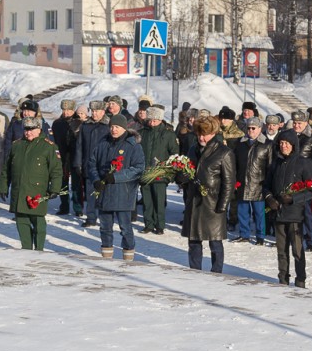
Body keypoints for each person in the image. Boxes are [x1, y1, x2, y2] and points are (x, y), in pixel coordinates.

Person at [179, 116, 236, 273]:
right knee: (194, 240)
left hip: (213, 203)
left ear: (213, 133)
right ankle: (195, 270)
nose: (201, 138)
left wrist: (223, 205)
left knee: (215, 241)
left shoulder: (224, 153)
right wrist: (182, 176)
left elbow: (229, 182)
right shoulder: (193, 149)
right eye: (199, 134)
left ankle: (216, 271)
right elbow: (186, 170)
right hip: (195, 201)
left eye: (205, 134)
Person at [0, 117, 63, 250]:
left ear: (39, 129)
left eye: (32, 129)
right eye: (26, 129)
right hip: (19, 190)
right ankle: (26, 249)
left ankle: (39, 250)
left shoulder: (48, 147)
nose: (28, 132)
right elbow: (6, 169)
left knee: (38, 222)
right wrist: (3, 187)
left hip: (37, 192)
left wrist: (55, 189)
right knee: (21, 221)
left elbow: (56, 171)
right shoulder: (16, 145)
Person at [89, 114, 145, 260]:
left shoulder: (132, 145)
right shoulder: (102, 143)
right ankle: (106, 256)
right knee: (105, 227)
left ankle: (128, 256)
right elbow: (92, 164)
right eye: (112, 126)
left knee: (125, 228)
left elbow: (138, 168)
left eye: (117, 127)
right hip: (105, 192)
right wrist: (96, 180)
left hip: (123, 193)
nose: (114, 129)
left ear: (124, 128)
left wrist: (116, 177)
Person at [264, 130, 312, 287]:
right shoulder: (275, 163)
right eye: (281, 143)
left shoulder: (303, 162)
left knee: (297, 251)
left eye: (286, 143)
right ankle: (283, 279)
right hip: (278, 213)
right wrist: (269, 198)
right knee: (281, 251)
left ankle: (300, 280)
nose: (283, 146)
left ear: (293, 145)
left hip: (295, 215)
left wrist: (294, 198)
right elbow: (266, 186)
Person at [139, 105, 179, 235]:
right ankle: (148, 224)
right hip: (145, 171)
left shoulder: (168, 135)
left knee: (159, 200)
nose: (152, 123)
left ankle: (160, 224)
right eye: (150, 120)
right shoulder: (142, 133)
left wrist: (170, 173)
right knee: (147, 200)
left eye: (155, 120)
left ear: (160, 120)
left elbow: (174, 153)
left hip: (160, 173)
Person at [232, 117, 272, 245]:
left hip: (258, 184)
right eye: (248, 128)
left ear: (260, 129)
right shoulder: (240, 143)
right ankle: (244, 234)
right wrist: (234, 180)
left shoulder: (267, 144)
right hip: (242, 182)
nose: (250, 130)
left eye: (253, 128)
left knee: (259, 213)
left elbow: (270, 167)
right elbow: (234, 164)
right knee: (242, 211)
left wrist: (267, 184)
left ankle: (260, 236)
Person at [73, 100, 111, 227]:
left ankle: (106, 217)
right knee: (90, 193)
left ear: (103, 112)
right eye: (93, 111)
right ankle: (91, 217)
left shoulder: (109, 126)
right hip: (89, 165)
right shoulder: (85, 126)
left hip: (105, 166)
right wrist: (77, 163)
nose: (94, 114)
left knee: (105, 193)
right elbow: (79, 146)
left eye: (97, 111)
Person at [293, 110, 312, 250]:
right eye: (294, 123)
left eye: (299, 123)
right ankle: (295, 237)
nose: (296, 125)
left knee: (308, 213)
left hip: (307, 181)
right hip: (292, 179)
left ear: (306, 123)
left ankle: (311, 240)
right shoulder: (289, 135)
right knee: (293, 211)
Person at [51, 99, 77, 215]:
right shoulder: (57, 123)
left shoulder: (79, 122)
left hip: (75, 156)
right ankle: (64, 205)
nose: (66, 112)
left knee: (76, 183)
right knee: (63, 182)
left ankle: (78, 208)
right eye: (64, 110)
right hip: (61, 156)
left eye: (69, 110)